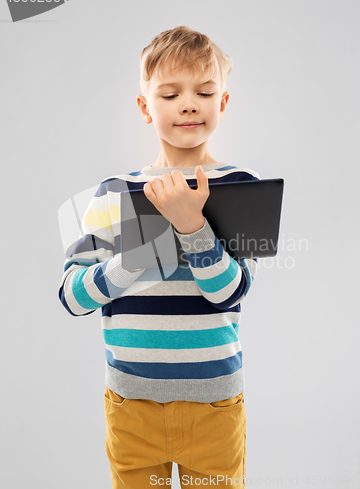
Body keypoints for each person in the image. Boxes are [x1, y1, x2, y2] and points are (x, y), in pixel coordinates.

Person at [58, 25, 260, 489]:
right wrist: (138, 255)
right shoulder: (114, 193)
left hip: (214, 406)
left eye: (204, 91)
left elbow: (229, 290)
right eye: (170, 94)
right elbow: (72, 296)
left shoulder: (240, 187)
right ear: (145, 107)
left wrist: (193, 227)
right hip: (132, 406)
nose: (189, 103)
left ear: (222, 103)